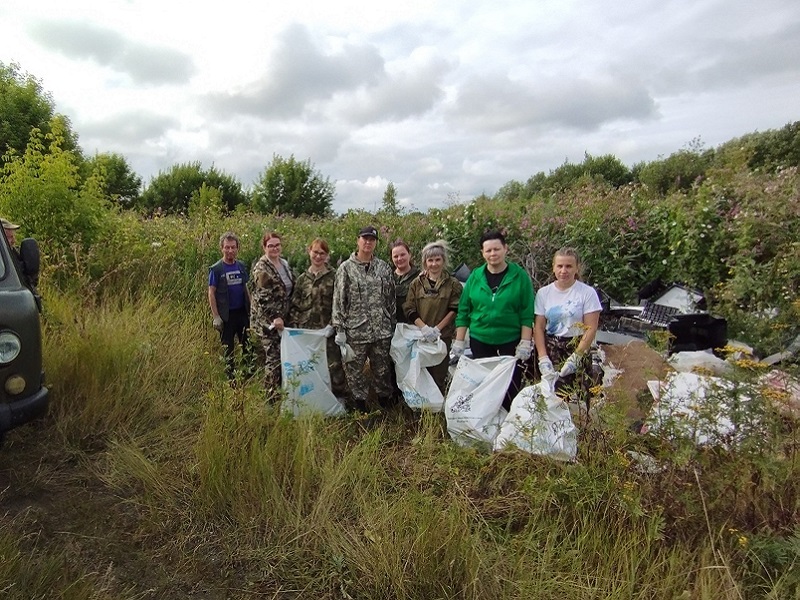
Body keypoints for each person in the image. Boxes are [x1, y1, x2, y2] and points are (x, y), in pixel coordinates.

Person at [452, 230, 534, 410]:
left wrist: (525, 341)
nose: (493, 254)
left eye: (496, 249)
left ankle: (507, 423)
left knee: (510, 385)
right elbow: (464, 310)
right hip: (481, 341)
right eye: (488, 251)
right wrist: (459, 342)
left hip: (510, 342)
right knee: (485, 384)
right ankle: (486, 422)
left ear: (505, 249)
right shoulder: (475, 277)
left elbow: (527, 312)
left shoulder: (519, 277)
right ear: (482, 253)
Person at [332, 226, 396, 413]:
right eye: (365, 239)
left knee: (382, 369)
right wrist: (340, 330)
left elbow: (390, 298)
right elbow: (339, 300)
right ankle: (360, 406)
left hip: (381, 330)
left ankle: (385, 403)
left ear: (376, 243)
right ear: (358, 241)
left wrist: (392, 325)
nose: (368, 242)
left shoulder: (383, 267)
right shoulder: (346, 268)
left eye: (372, 240)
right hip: (356, 331)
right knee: (355, 371)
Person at [533, 247, 602, 407]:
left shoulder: (587, 293)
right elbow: (539, 327)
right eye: (560, 266)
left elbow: (591, 327)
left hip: (577, 346)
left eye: (568, 266)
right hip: (552, 348)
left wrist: (577, 356)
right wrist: (543, 358)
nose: (564, 270)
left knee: (575, 398)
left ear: (577, 268)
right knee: (550, 397)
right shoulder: (544, 293)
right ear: (553, 267)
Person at [287, 238, 348, 399]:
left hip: (327, 332)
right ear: (309, 252)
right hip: (307, 333)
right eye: (315, 252)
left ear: (327, 256)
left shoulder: (334, 277)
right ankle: (314, 399)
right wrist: (294, 331)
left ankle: (339, 398)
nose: (318, 256)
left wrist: (333, 326)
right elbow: (295, 306)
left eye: (322, 253)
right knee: (310, 366)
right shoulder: (301, 279)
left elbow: (340, 304)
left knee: (333, 366)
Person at [403, 240, 462, 394]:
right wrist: (424, 328)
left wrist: (437, 329)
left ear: (443, 261)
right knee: (421, 374)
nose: (434, 264)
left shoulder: (453, 284)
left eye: (437, 260)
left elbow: (454, 309)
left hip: (442, 337)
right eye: (430, 260)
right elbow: (409, 308)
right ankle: (422, 410)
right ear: (425, 262)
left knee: (439, 375)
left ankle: (437, 410)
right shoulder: (416, 284)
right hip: (420, 337)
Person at [250, 231, 295, 396]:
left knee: (284, 357)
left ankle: (284, 393)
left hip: (284, 319)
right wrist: (275, 318)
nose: (274, 248)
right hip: (268, 323)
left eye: (277, 245)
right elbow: (263, 299)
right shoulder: (261, 268)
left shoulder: (284, 263)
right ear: (264, 248)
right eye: (270, 246)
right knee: (274, 359)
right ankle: (269, 397)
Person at [208, 232, 252, 380]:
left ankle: (247, 376)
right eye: (227, 247)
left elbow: (246, 288)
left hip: (242, 313)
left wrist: (251, 308)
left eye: (233, 247)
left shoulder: (241, 266)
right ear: (221, 248)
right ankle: (230, 379)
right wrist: (216, 317)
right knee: (228, 349)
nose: (230, 251)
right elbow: (211, 293)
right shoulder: (216, 269)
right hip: (226, 316)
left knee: (247, 345)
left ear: (237, 248)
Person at [390, 240, 420, 323]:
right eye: (395, 256)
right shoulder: (387, 276)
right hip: (392, 326)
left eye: (402, 255)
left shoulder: (420, 277)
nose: (399, 259)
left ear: (409, 255)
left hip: (414, 325)